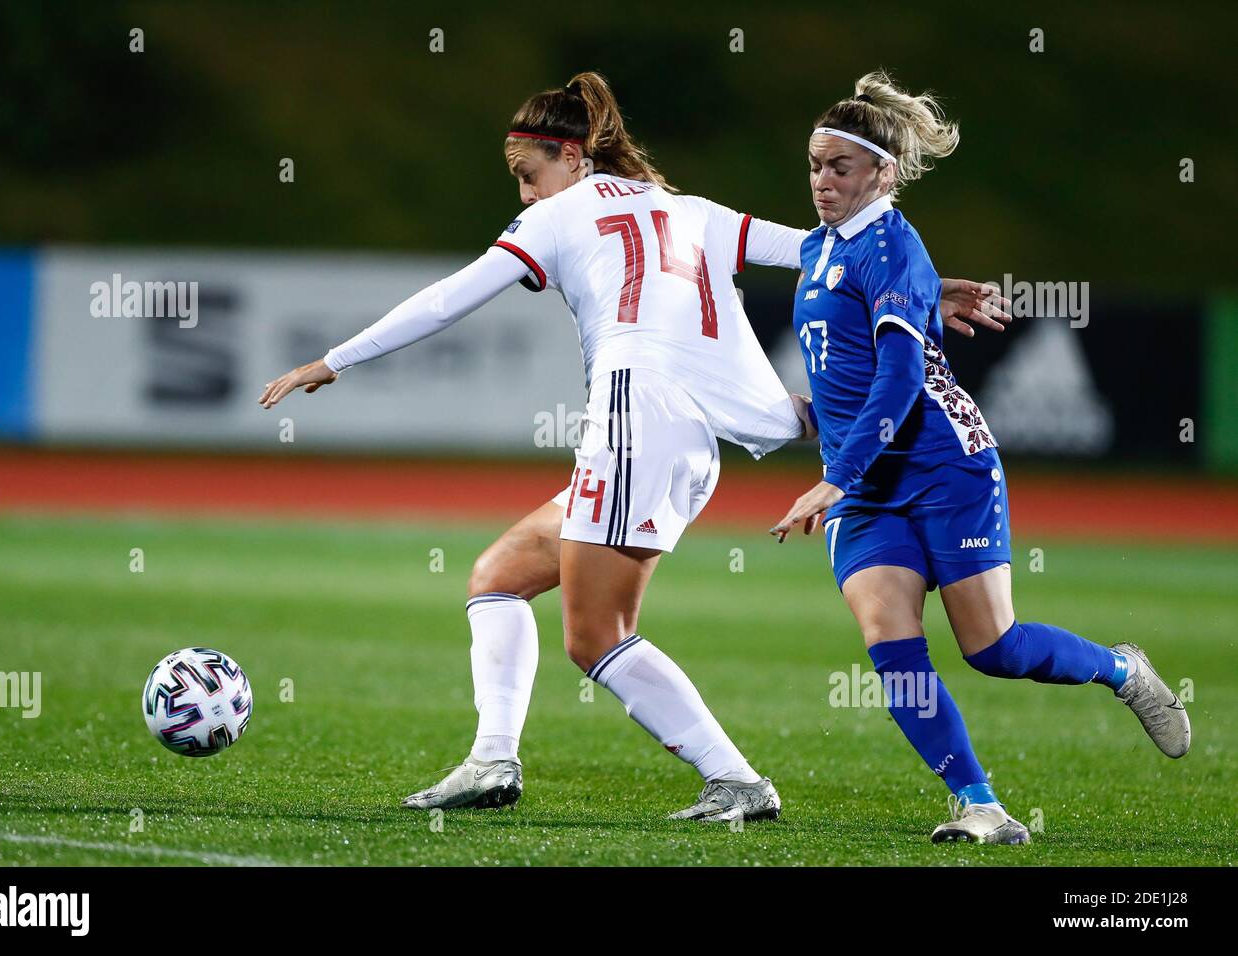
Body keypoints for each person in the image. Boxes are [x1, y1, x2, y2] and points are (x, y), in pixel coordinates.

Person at [260, 72, 1006, 821]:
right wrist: (920, 287)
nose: (525, 194)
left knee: (596, 638)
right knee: (497, 577)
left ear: (573, 159)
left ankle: (737, 781)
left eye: (529, 176)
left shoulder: (559, 216)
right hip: (678, 438)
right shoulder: (687, 210)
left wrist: (335, 360)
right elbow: (822, 252)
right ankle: (493, 759)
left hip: (635, 424)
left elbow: (450, 295)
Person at [771, 71, 1191, 845]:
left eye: (840, 168)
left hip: (943, 464)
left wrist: (832, 477)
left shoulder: (894, 245)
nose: (822, 182)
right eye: (814, 166)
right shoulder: (819, 246)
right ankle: (982, 807)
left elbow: (899, 380)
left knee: (992, 649)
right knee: (889, 640)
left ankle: (1121, 669)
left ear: (882, 173)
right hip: (869, 488)